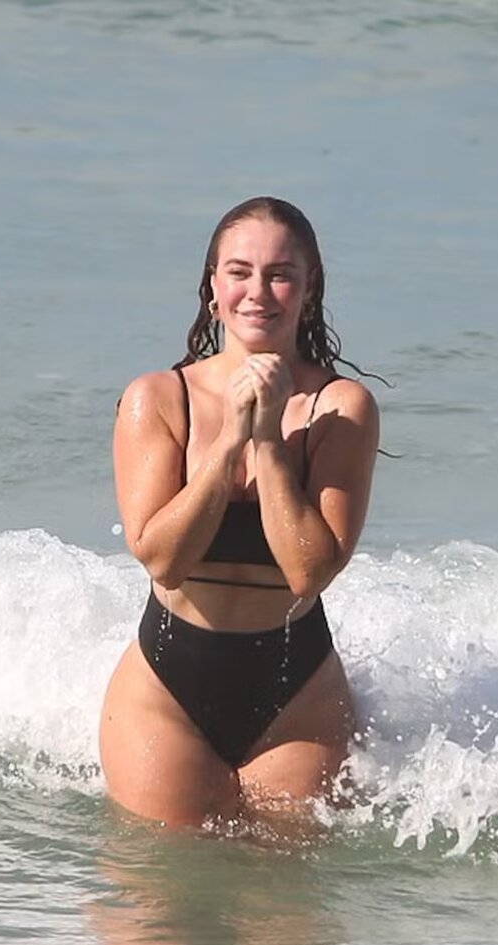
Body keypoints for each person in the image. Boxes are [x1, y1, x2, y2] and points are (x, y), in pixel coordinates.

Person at [100, 196, 379, 828]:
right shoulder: (158, 398)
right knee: (161, 879)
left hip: (297, 696)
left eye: (280, 275)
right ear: (212, 287)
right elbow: (163, 560)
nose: (258, 291)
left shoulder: (341, 408)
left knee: (284, 887)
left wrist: (269, 441)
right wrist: (230, 439)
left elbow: (309, 572)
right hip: (165, 689)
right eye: (239, 272)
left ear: (309, 289)